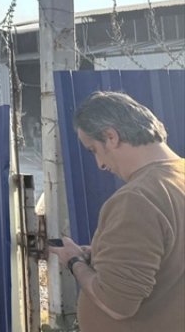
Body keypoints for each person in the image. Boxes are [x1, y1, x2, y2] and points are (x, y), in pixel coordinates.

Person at [49, 91, 184, 332]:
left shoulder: (138, 199)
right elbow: (169, 258)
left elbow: (117, 305)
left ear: (110, 137)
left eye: (93, 149)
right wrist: (101, 254)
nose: (100, 164)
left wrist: (75, 262)